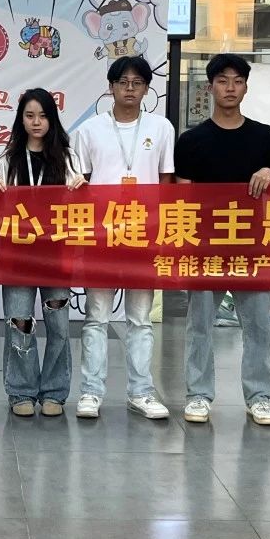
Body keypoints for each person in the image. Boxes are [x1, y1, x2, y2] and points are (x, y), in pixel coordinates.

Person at [175, 52, 270, 426]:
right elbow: (182, 197)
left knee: (258, 328)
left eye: (237, 81)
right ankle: (198, 395)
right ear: (209, 87)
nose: (230, 88)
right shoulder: (191, 140)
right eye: (222, 81)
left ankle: (260, 397)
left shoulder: (264, 136)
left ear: (245, 88)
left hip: (253, 245)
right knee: (199, 327)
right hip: (205, 246)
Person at [71, 56, 175, 420]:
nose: (129, 89)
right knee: (96, 318)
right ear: (111, 87)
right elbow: (80, 183)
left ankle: (141, 393)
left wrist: (161, 230)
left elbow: (166, 182)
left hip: (143, 236)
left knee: (141, 320)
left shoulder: (161, 128)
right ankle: (91, 392)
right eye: (123, 82)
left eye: (137, 83)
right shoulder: (89, 130)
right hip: (102, 236)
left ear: (147, 88)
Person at [0, 89, 85, 417]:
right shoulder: (7, 159)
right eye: (29, 116)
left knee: (58, 326)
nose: (36, 122)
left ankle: (55, 392)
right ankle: (21, 392)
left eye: (43, 116)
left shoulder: (68, 158)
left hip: (57, 256)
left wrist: (80, 189)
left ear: (52, 119)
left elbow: (81, 207)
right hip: (18, 257)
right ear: (21, 120)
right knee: (20, 324)